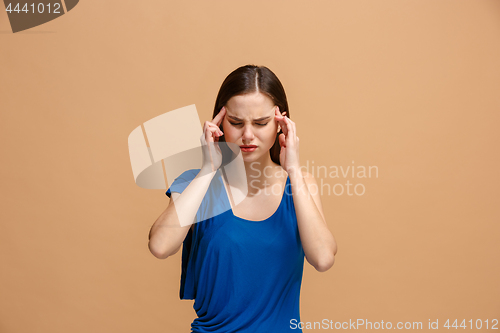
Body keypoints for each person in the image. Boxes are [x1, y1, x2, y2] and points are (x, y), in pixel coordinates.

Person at [148, 65, 337, 332]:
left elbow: (323, 259)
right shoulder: (196, 183)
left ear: (281, 123)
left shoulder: (300, 184)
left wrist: (293, 169)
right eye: (236, 123)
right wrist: (207, 169)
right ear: (219, 123)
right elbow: (160, 246)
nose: (247, 135)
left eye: (261, 123)